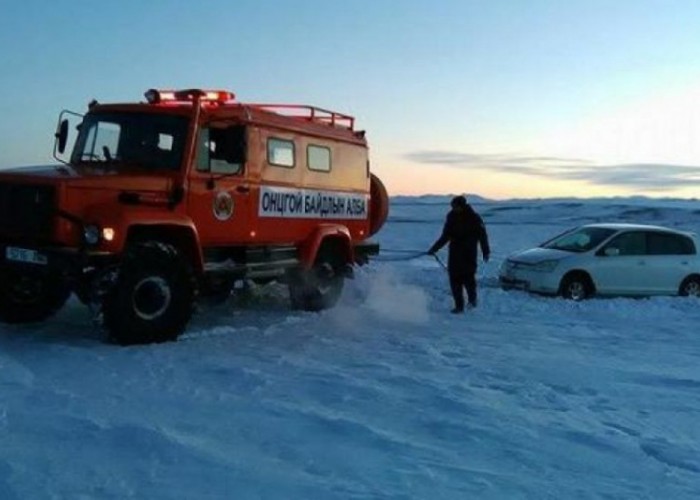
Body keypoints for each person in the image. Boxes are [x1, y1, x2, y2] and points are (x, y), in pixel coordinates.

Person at [428, 195, 490, 313]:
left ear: (462, 206)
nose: (453, 209)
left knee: (468, 279)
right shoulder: (451, 217)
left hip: (469, 253)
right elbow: (446, 235)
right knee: (454, 279)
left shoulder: (474, 218)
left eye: (455, 207)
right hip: (455, 253)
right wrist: (434, 248)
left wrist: (485, 251)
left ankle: (472, 301)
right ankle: (459, 306)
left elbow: (483, 236)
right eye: (452, 207)